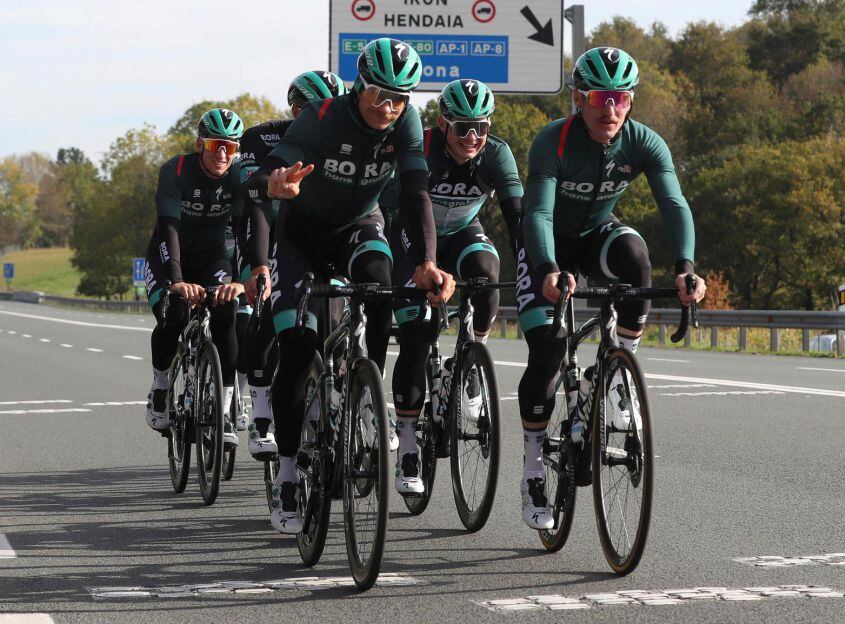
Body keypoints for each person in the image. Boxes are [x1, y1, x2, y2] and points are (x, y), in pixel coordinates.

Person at [243, 38, 454, 534]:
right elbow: (273, 167)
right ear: (360, 85)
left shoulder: (405, 122)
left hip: (360, 226)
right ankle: (290, 473)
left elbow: (416, 190)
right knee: (297, 348)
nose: (389, 107)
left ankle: (365, 391)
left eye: (400, 98)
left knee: (381, 291)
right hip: (300, 237)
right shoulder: (319, 117)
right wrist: (277, 182)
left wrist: (425, 261)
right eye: (380, 94)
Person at [514, 47, 706, 529]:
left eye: (620, 98)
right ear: (579, 98)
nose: (609, 109)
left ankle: (620, 372)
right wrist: (547, 270)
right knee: (549, 351)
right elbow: (536, 213)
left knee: (637, 256)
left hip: (597, 235)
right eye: (599, 97)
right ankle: (533, 467)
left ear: (631, 102)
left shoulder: (644, 143)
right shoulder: (552, 142)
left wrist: (686, 267)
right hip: (547, 247)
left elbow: (673, 204)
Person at [389, 79, 522, 495]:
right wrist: (422, 263)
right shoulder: (421, 148)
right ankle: (408, 443)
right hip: (411, 235)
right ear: (443, 123)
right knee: (416, 334)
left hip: (463, 232)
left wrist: (532, 263)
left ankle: (470, 358)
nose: (472, 137)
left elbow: (517, 215)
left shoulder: (496, 153)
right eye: (462, 127)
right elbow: (411, 206)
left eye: (480, 127)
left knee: (486, 271)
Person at [236, 70, 346, 460]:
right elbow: (256, 204)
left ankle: (345, 395)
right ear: (296, 109)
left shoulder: (343, 135)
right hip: (265, 227)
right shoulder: (260, 138)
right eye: (315, 111)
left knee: (337, 318)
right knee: (266, 305)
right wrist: (258, 264)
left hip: (314, 233)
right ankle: (262, 404)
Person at [144, 108, 247, 449]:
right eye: (217, 144)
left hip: (213, 256)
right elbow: (169, 228)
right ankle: (160, 387)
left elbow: (247, 230)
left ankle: (227, 406)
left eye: (231, 147)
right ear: (201, 143)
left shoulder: (237, 178)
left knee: (227, 311)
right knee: (174, 313)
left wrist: (239, 278)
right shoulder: (175, 171)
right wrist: (175, 280)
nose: (222, 154)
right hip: (170, 255)